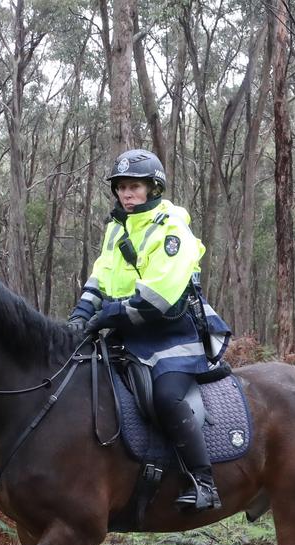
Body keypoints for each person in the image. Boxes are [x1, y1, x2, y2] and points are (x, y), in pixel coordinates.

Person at [68, 148, 220, 512]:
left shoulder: (171, 228)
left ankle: (204, 482)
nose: (127, 193)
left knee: (166, 396)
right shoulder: (117, 227)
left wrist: (108, 315)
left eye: (134, 186)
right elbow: (102, 274)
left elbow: (159, 296)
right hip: (125, 331)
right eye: (121, 187)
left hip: (170, 333)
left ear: (153, 188)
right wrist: (80, 313)